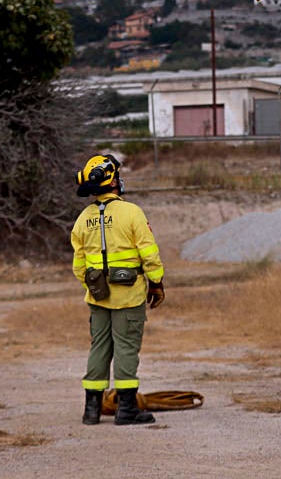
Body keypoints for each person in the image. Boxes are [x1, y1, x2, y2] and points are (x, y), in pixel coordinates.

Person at [70, 154, 165, 426]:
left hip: (97, 296)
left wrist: (93, 285)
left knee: (99, 347)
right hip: (129, 295)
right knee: (125, 348)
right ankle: (126, 410)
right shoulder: (132, 212)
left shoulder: (82, 219)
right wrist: (156, 282)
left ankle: (91, 411)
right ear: (113, 180)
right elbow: (149, 254)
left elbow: (78, 265)